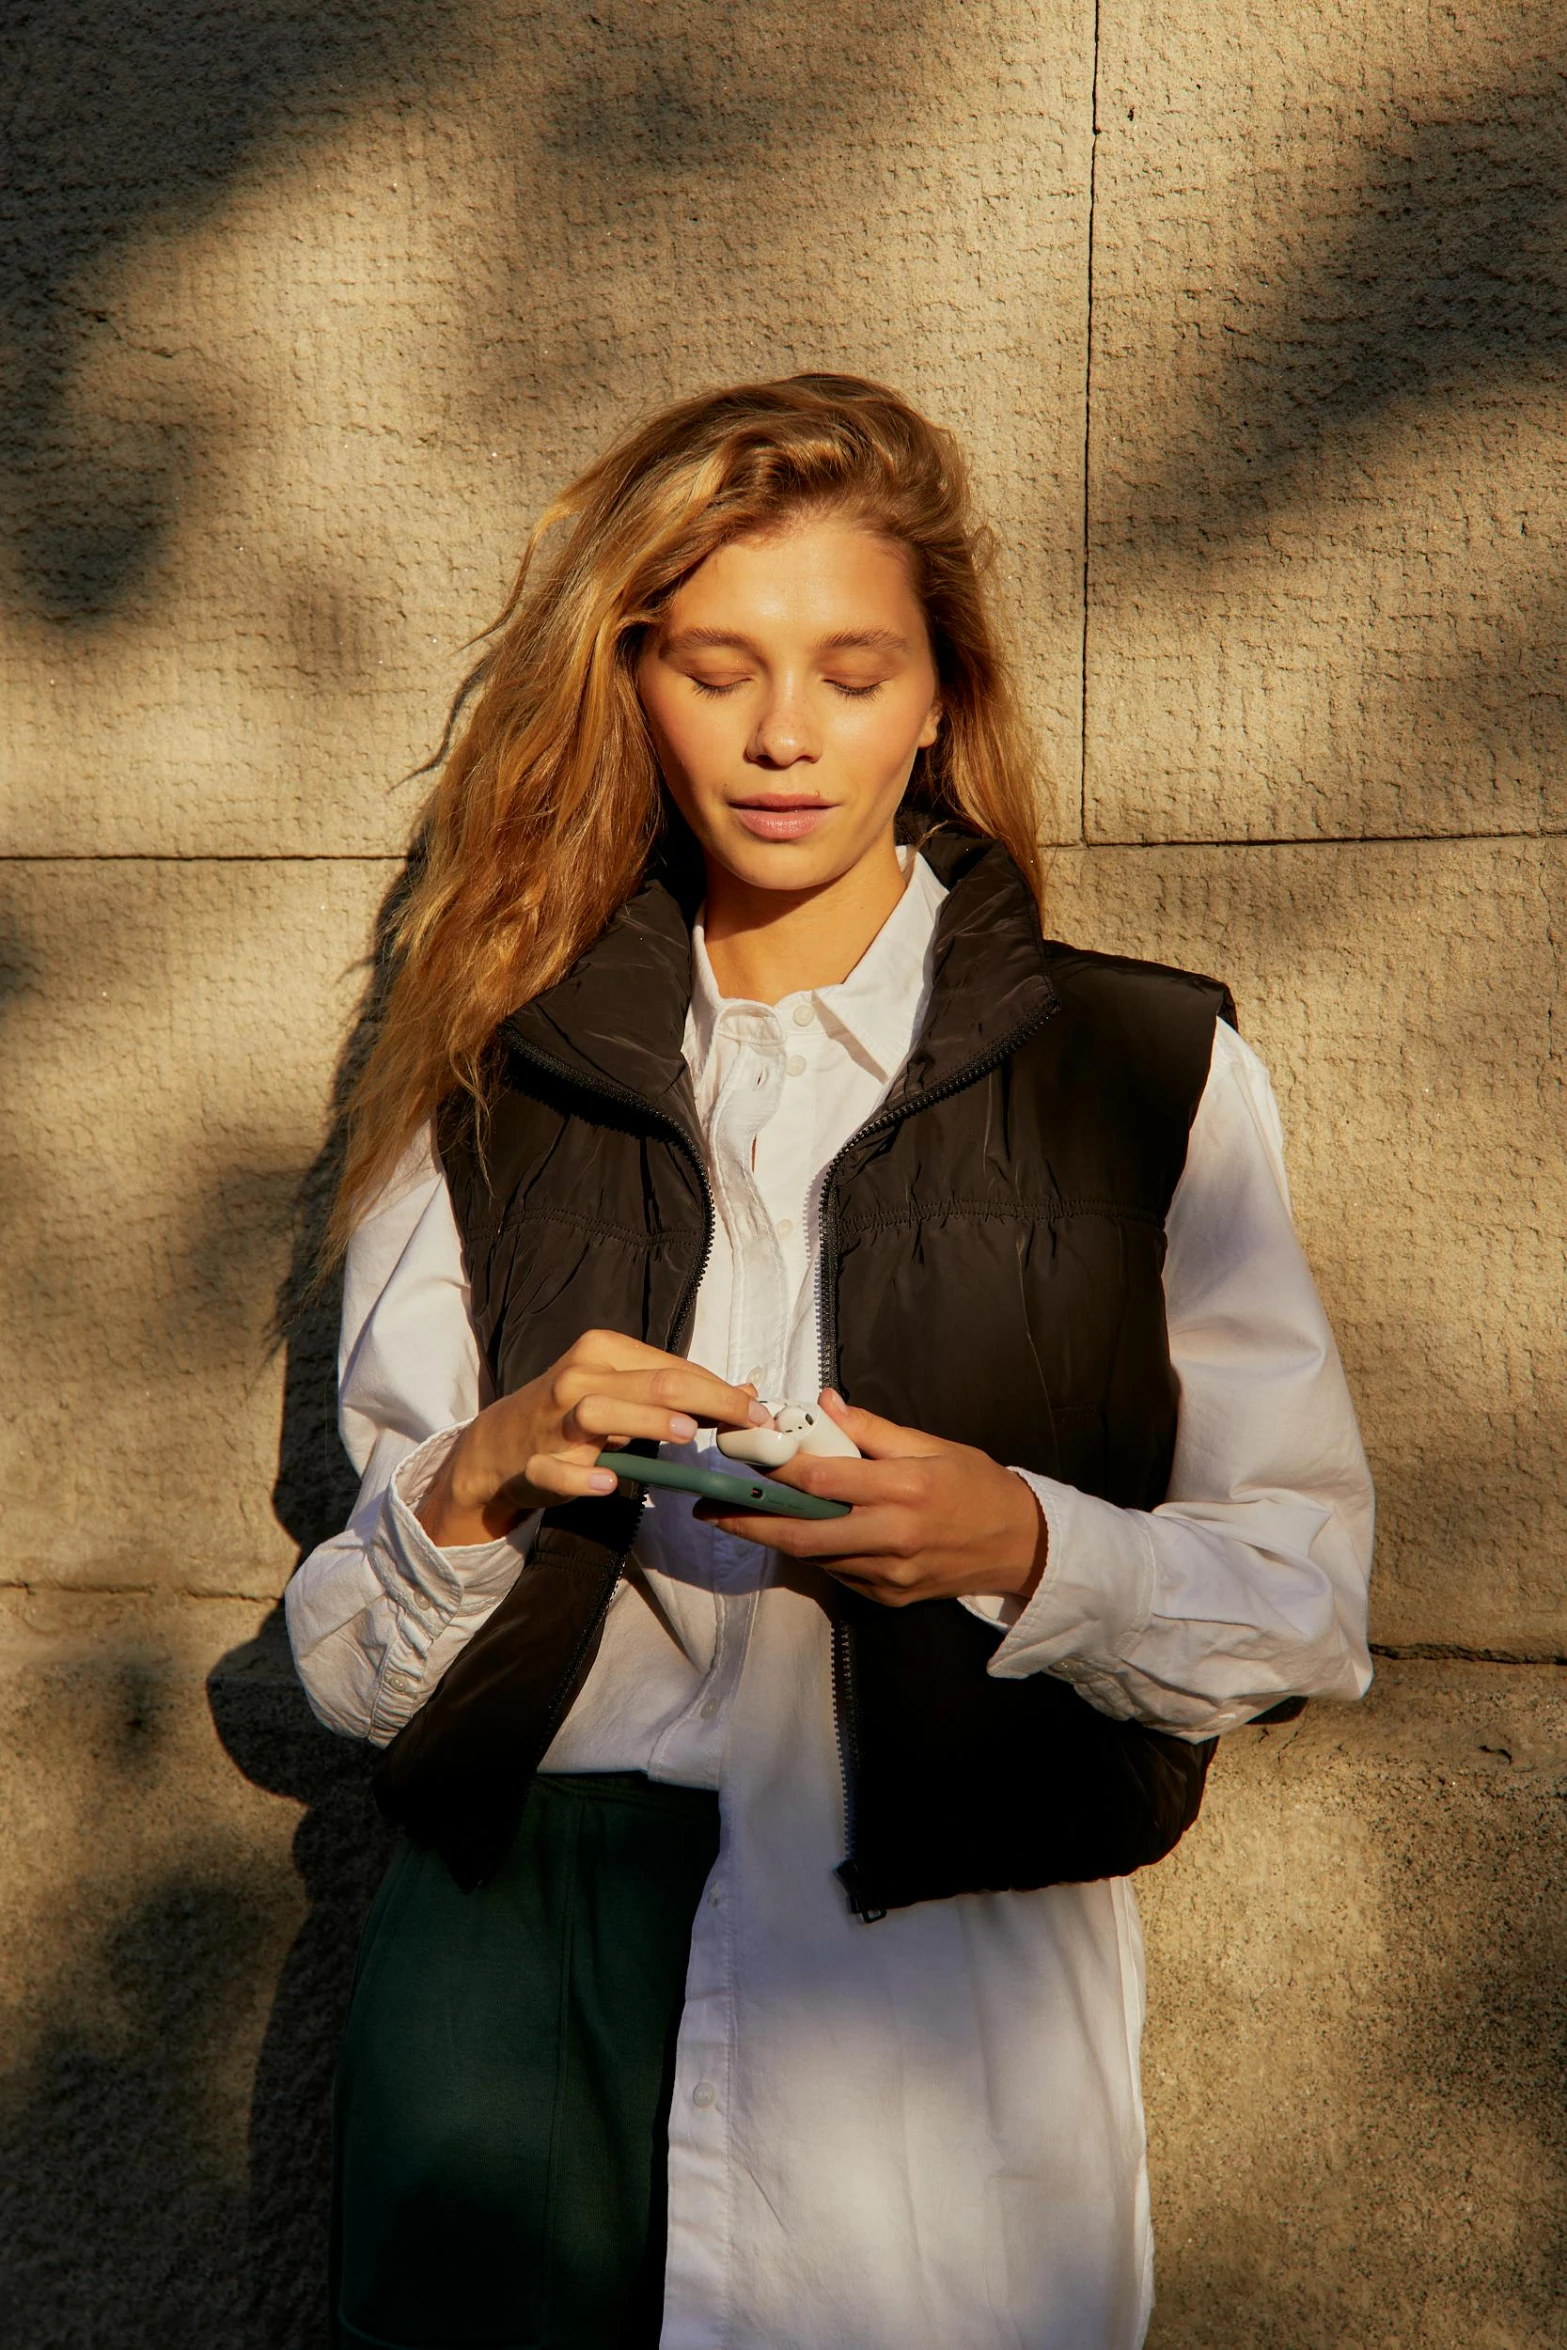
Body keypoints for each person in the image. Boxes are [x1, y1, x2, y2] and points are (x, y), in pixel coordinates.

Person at [286, 374, 1374, 2350]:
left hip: (932, 2027)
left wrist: (1022, 1539)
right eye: (720, 667)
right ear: (634, 686)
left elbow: (1304, 1602)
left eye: (852, 669)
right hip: (517, 1987)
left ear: (941, 692)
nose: (786, 732)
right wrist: (487, 1469)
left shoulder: (1147, 1072)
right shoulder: (486, 1080)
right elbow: (351, 1661)